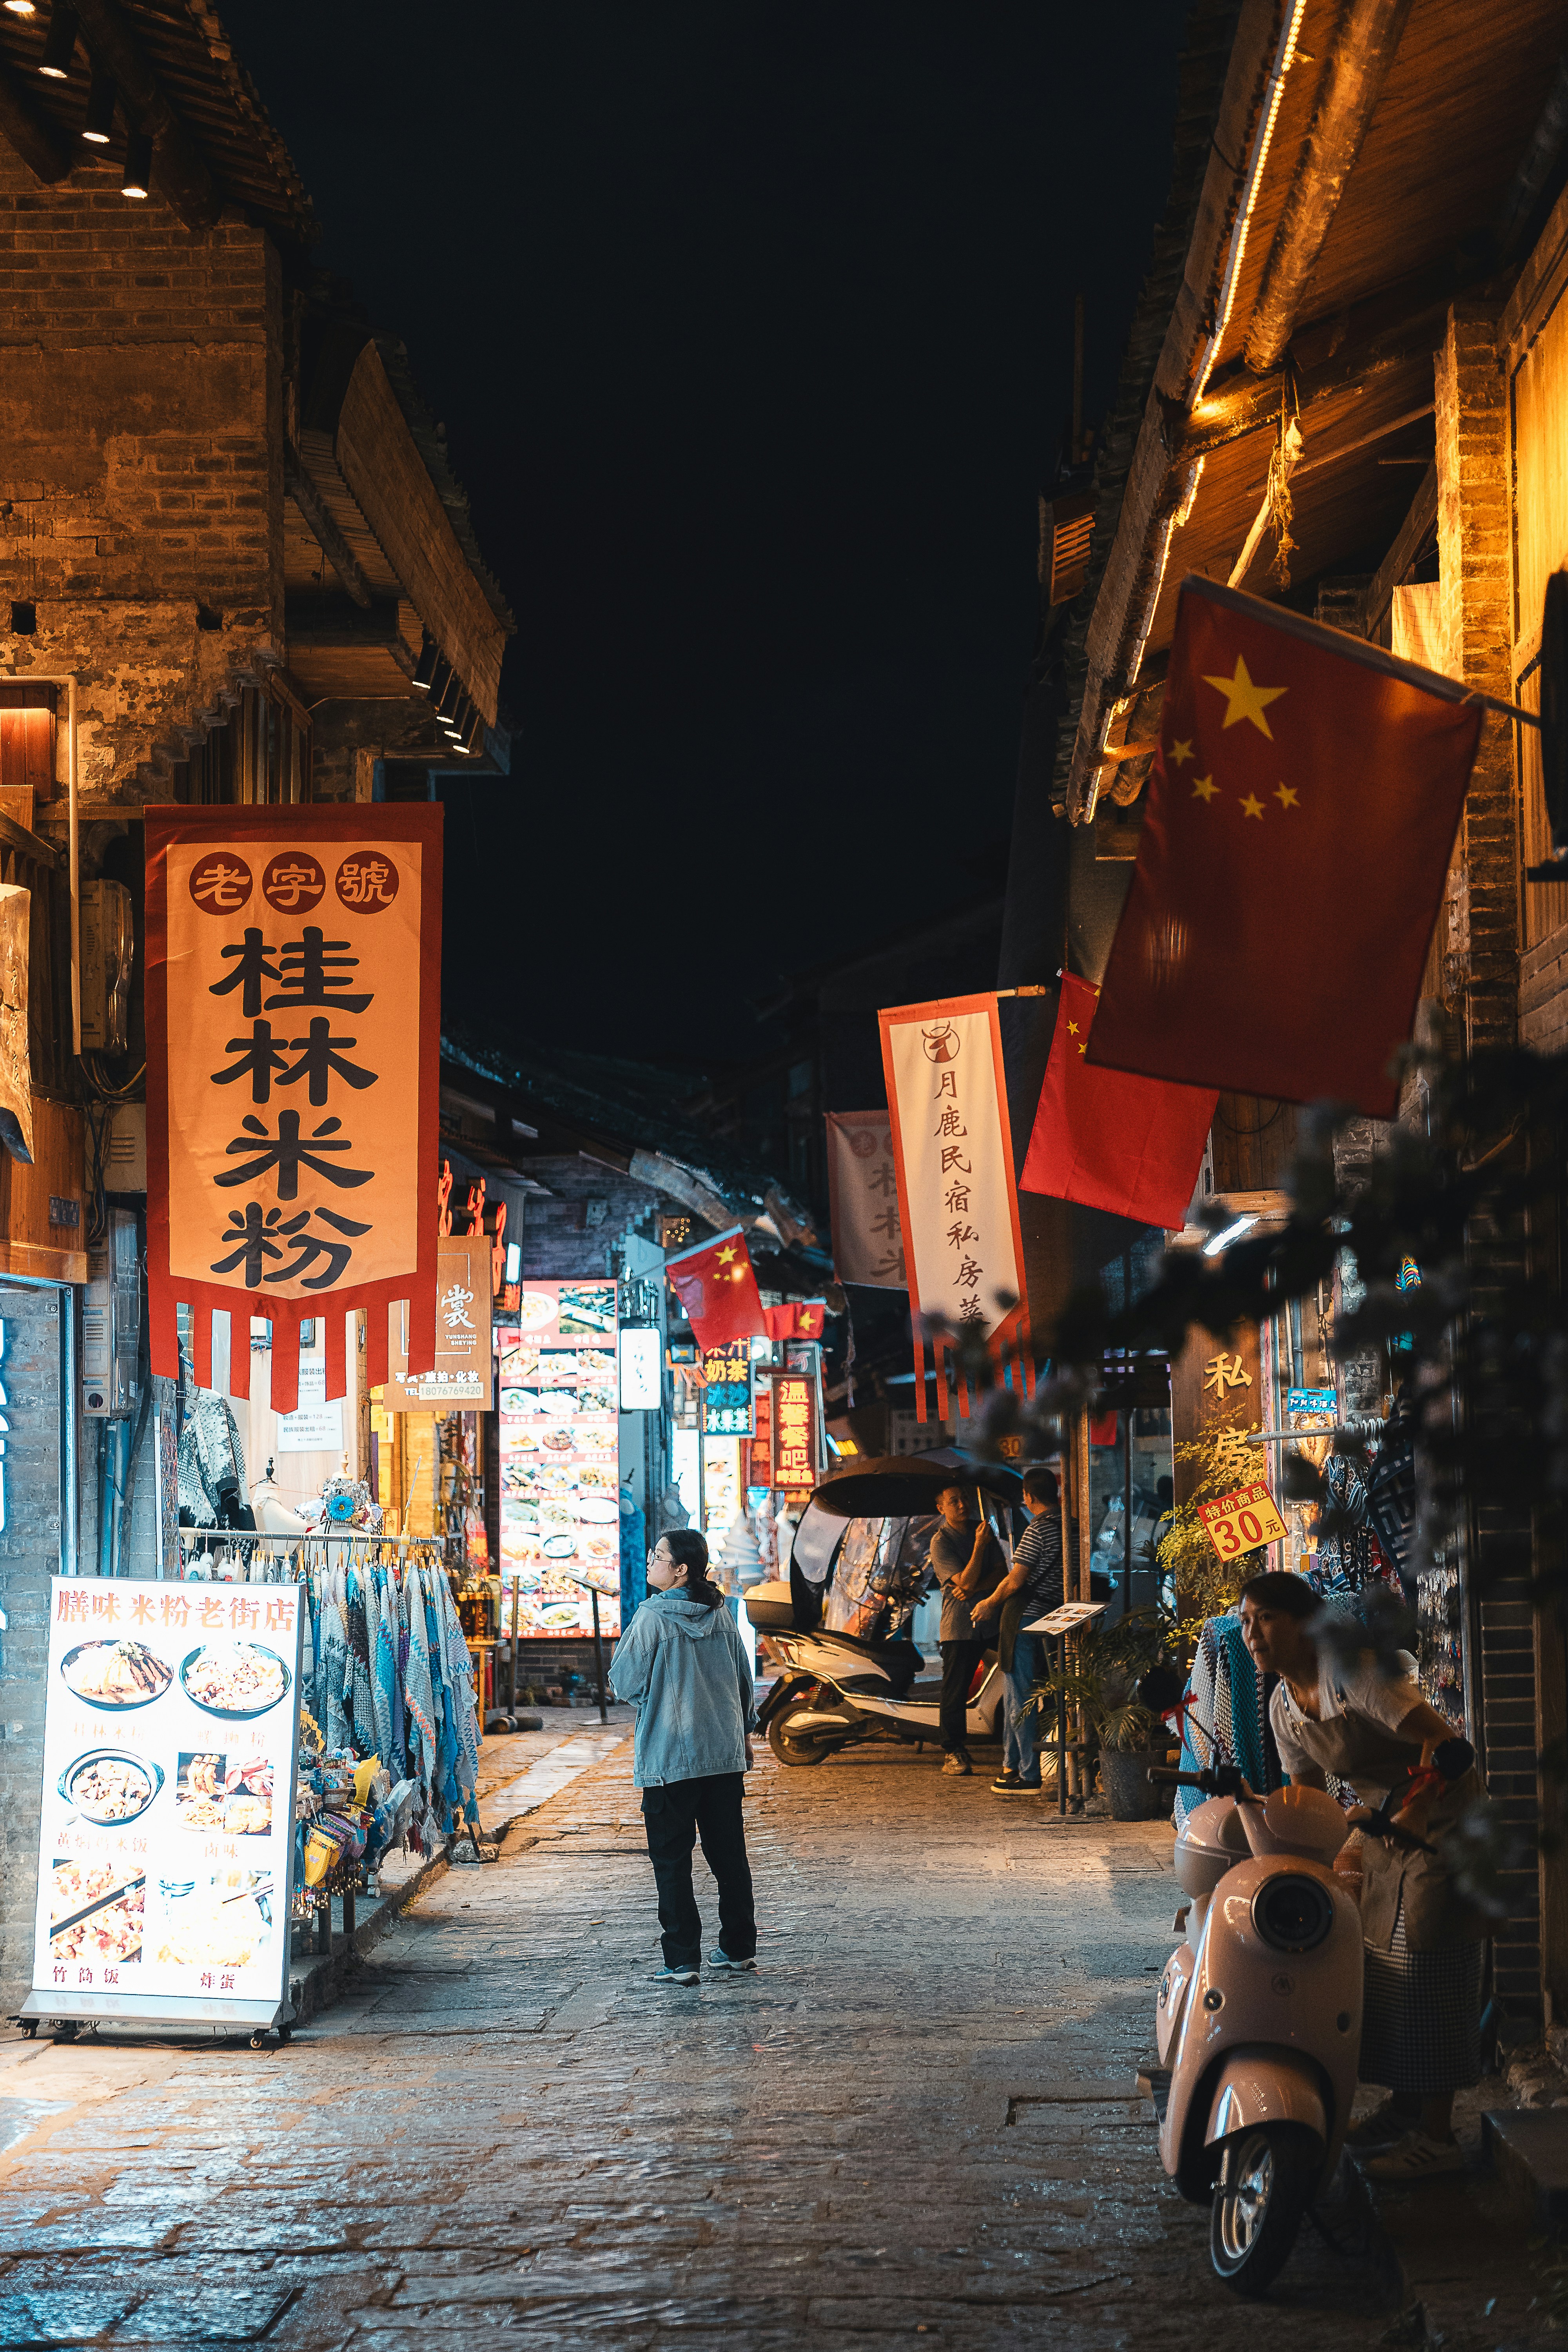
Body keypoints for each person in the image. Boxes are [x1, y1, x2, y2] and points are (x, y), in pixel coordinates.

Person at [1239, 1570, 1486, 2182]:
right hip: (1383, 1823)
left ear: (1304, 1623)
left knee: (1429, 1958)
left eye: (1266, 1618)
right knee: (1381, 1961)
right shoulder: (1283, 1707)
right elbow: (1305, 1796)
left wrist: (1420, 1811)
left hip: (1443, 1812)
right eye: (1246, 1622)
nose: (1252, 1635)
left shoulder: (1352, 1673)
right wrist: (1299, 1863)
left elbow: (1441, 1738)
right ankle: (1404, 2111)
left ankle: (1439, 2137)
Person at [608, 1528, 759, 1988]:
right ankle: (737, 1950)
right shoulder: (722, 1616)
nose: (650, 1562)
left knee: (672, 1861)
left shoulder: (653, 1619)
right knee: (729, 1855)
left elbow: (624, 1684)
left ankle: (681, 1960)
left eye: (658, 1557)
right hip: (722, 1755)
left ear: (681, 1570)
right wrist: (743, 1732)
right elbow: (743, 1680)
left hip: (670, 1759)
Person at [969, 1467, 1062, 1795]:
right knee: (1023, 1695)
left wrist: (988, 1604)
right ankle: (1011, 1765)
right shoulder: (1073, 1526)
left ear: (1030, 1497)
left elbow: (1016, 1579)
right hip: (1056, 1621)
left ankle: (1029, 1773)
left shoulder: (1038, 1529)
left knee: (1020, 1695)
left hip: (1024, 1620)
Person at [926, 1483, 1006, 1776]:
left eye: (965, 1499)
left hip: (992, 1618)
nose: (962, 1505)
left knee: (1021, 1666)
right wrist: (979, 1548)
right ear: (942, 1508)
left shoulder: (983, 1528)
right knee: (955, 1690)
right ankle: (953, 1750)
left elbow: (1001, 1573)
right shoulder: (941, 1541)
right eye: (954, 1501)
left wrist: (974, 1586)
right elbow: (964, 1580)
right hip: (960, 1624)